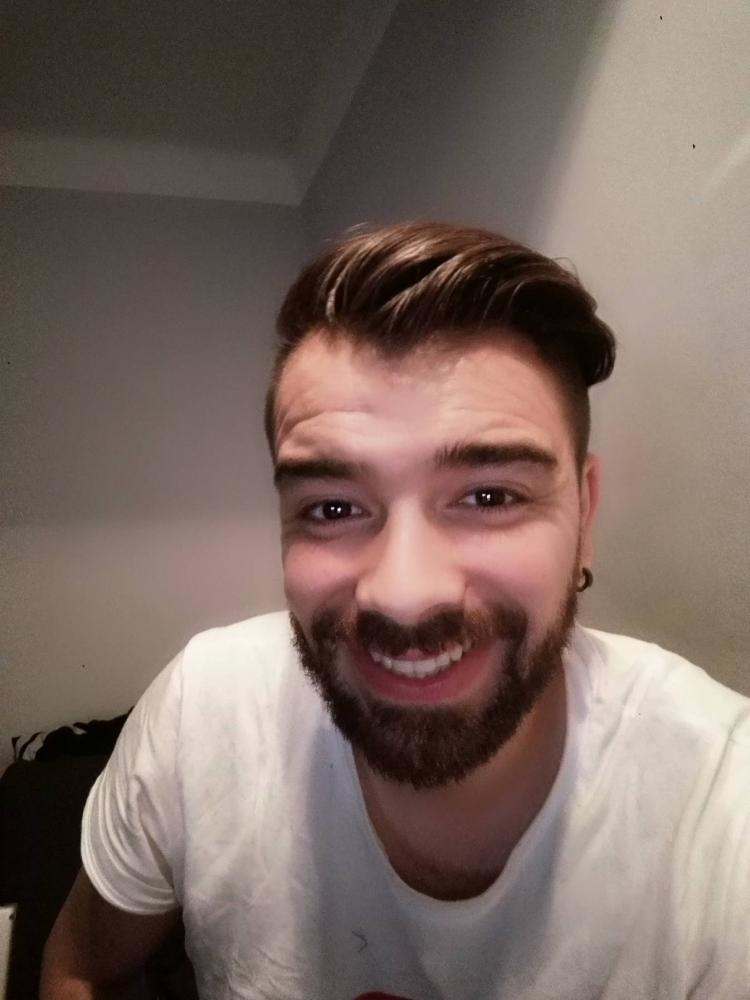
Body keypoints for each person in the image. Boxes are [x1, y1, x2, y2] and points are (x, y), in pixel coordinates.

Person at [41, 223, 749, 999]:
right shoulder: (201, 712)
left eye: (490, 496)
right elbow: (80, 967)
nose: (405, 594)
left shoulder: (722, 817)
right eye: (333, 507)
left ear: (584, 515)